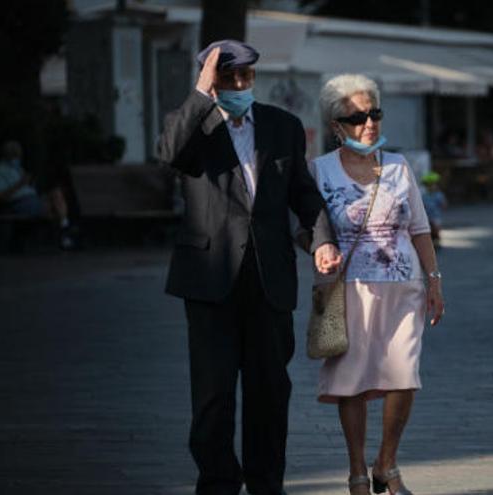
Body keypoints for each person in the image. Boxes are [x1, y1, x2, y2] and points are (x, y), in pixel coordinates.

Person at [158, 39, 341, 495]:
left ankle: (265, 484)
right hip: (209, 281)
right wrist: (202, 93)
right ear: (212, 81)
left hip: (268, 280)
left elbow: (303, 191)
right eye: (229, 77)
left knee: (269, 393)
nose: (240, 85)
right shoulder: (192, 128)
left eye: (247, 76)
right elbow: (167, 153)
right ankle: (218, 482)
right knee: (214, 395)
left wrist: (321, 239)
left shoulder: (283, 126)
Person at [310, 73, 444, 495]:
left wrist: (434, 279)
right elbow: (307, 228)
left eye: (374, 113)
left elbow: (420, 227)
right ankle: (356, 470)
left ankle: (387, 461)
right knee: (352, 380)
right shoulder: (319, 171)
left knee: (404, 376)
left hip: (404, 287)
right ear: (336, 125)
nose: (368, 123)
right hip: (348, 291)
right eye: (356, 117)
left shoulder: (400, 166)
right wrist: (319, 250)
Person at [0, 140, 75, 249]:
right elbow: (0, 196)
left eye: (18, 155)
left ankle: (64, 227)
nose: (18, 159)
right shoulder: (0, 171)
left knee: (56, 193)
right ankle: (64, 234)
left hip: (32, 198)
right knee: (53, 208)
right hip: (18, 203)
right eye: (15, 155)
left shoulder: (18, 169)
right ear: (8, 155)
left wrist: (30, 184)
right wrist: (20, 184)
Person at [420, 171, 448, 250]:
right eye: (428, 185)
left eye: (432, 185)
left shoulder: (439, 195)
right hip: (427, 216)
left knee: (436, 228)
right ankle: (431, 243)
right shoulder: (424, 195)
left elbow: (444, 205)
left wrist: (442, 206)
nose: (430, 187)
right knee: (428, 231)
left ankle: (437, 241)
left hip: (435, 216)